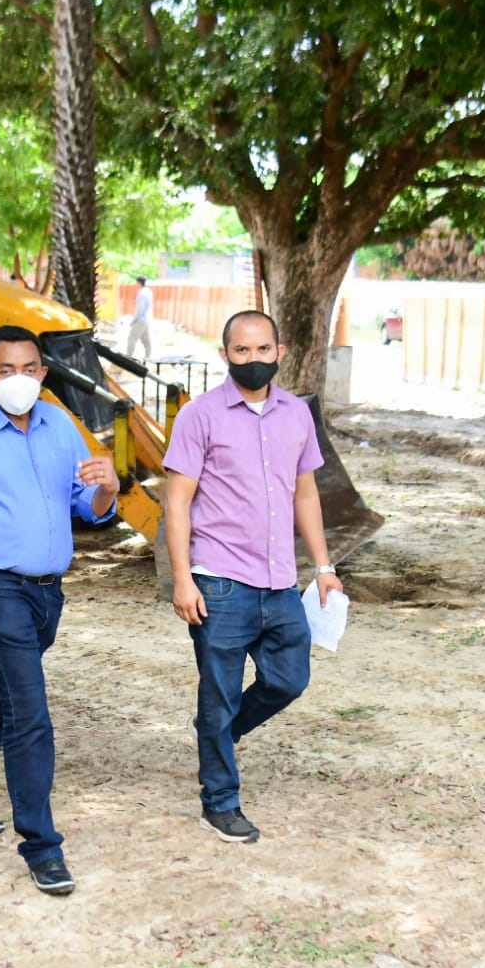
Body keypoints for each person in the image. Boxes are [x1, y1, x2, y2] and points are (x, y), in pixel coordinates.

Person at [0, 325, 119, 896]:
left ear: (43, 374)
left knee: (0, 695)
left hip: (47, 590)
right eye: (4, 370)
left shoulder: (60, 425)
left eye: (27, 369)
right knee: (29, 711)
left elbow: (91, 506)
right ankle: (42, 846)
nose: (17, 379)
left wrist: (107, 486)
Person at [162, 310, 342, 845]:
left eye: (264, 350)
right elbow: (178, 503)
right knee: (216, 695)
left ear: (279, 353)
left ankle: (219, 735)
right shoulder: (199, 416)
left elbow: (304, 493)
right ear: (225, 355)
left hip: (280, 581)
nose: (254, 359)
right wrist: (182, 579)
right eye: (242, 351)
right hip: (218, 579)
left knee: (290, 679)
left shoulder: (297, 416)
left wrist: (324, 566)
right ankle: (219, 802)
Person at [125, 276, 153, 361]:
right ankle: (148, 356)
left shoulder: (141, 293)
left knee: (132, 338)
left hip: (141, 320)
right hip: (147, 320)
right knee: (146, 340)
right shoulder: (148, 291)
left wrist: (134, 320)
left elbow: (140, 309)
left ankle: (128, 357)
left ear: (139, 283)